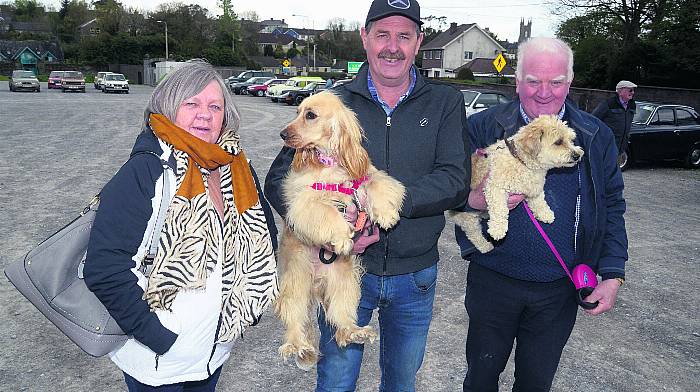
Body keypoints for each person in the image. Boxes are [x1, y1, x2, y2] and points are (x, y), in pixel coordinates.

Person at [264, 0, 469, 390]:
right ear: (364, 38)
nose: (392, 46)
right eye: (382, 35)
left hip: (415, 274)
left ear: (419, 42)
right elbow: (277, 180)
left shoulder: (445, 102)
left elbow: (455, 179)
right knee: (336, 381)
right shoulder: (334, 104)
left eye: (404, 36)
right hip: (342, 264)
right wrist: (319, 224)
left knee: (401, 380)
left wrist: (375, 205)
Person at [84, 60, 278, 391]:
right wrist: (158, 334)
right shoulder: (147, 171)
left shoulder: (236, 168)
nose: (205, 114)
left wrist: (249, 305)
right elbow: (105, 267)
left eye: (215, 106)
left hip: (214, 355)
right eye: (192, 103)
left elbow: (266, 238)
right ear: (169, 105)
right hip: (159, 363)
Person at [455, 37, 628, 392]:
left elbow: (612, 205)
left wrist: (612, 274)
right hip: (493, 281)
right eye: (533, 80)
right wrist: (474, 200)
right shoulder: (482, 127)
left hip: (558, 290)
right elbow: (449, 193)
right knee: (480, 379)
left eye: (556, 81)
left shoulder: (596, 136)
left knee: (536, 383)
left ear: (570, 80)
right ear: (517, 81)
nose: (544, 92)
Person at [592, 80, 637, 165]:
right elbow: (593, 119)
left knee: (615, 172)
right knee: (603, 170)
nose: (633, 92)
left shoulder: (632, 105)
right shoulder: (608, 104)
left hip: (621, 147)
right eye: (630, 90)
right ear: (620, 91)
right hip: (607, 146)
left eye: (633, 90)